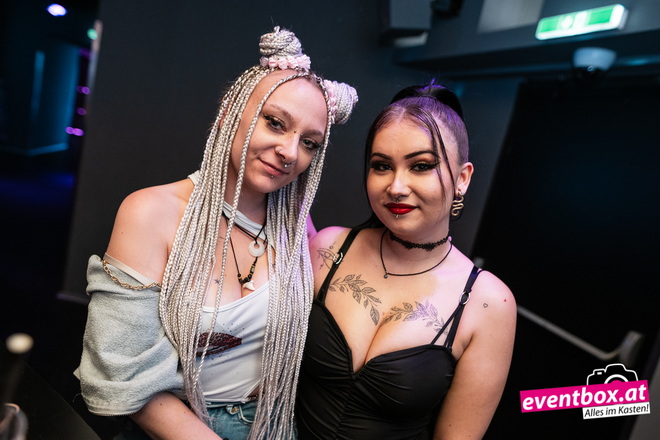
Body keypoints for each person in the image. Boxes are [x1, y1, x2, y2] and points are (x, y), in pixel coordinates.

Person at [75, 27, 358, 440]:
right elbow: (122, 373)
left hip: (275, 424)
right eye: (275, 123)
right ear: (229, 111)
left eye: (309, 143)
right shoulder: (151, 212)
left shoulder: (295, 225)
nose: (290, 151)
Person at [296, 83, 516, 439]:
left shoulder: (488, 302)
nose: (396, 187)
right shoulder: (328, 248)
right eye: (382, 166)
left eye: (421, 166)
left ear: (462, 178)